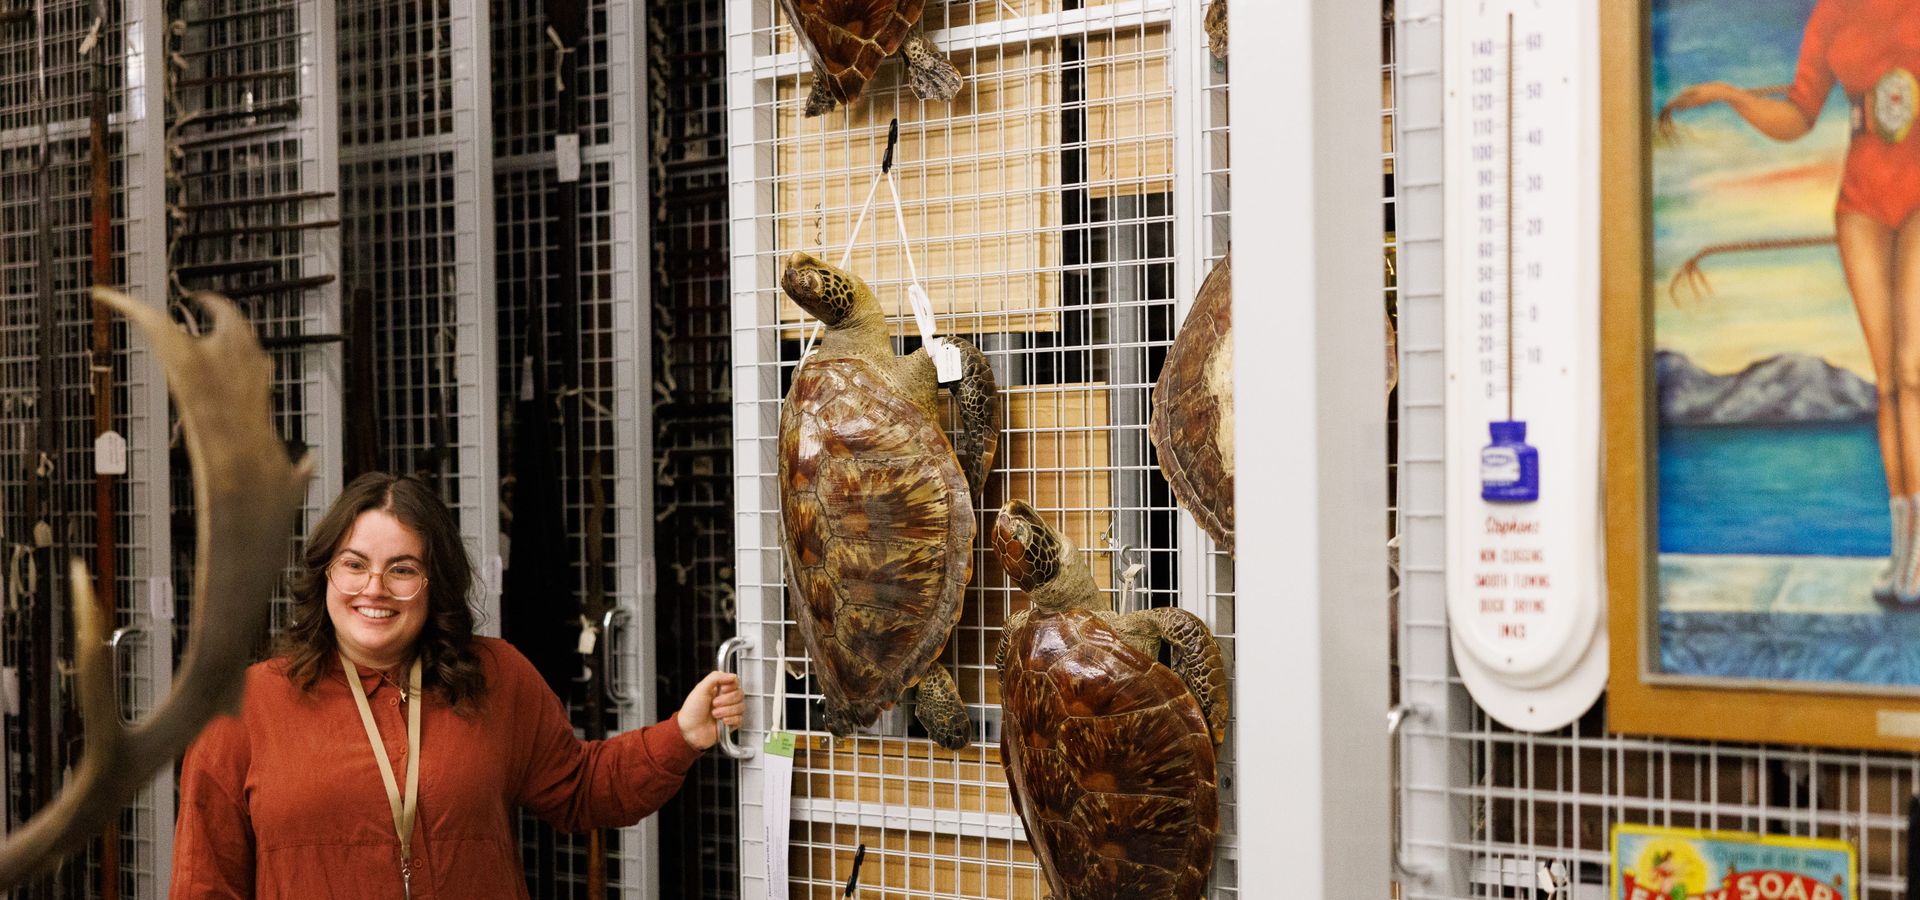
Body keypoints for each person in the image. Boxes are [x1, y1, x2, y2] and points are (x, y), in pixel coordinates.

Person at [169, 472, 745, 899]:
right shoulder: (243, 708)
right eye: (354, 564)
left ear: (433, 583)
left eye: (402, 568)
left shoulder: (496, 676)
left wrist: (683, 734)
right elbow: (204, 882)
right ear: (325, 572)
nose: (374, 588)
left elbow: (580, 787)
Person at [1663, 0, 1920, 606]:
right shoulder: (1831, 13)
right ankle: (1902, 548)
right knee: (1885, 383)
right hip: (1861, 203)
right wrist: (1731, 95)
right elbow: (1799, 115)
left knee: (1913, 373)